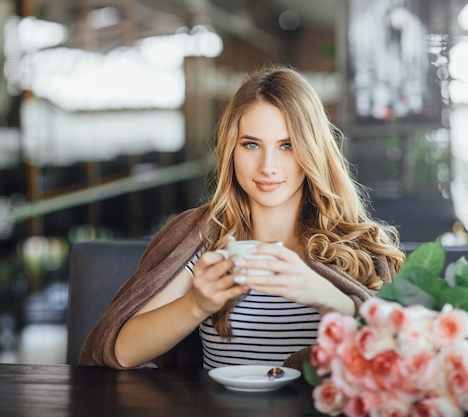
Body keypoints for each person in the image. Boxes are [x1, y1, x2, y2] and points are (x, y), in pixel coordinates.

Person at [79, 64, 406, 371]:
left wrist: (328, 297)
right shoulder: (204, 239)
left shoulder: (358, 247)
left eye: (287, 146)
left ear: (313, 151)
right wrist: (196, 303)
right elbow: (119, 352)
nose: (267, 166)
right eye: (251, 145)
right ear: (230, 150)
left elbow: (400, 355)